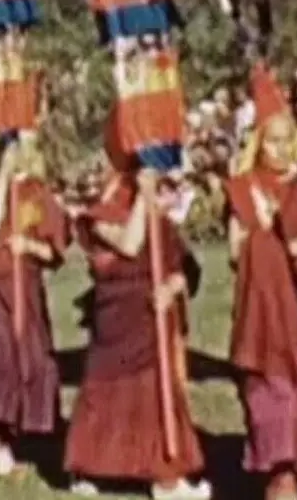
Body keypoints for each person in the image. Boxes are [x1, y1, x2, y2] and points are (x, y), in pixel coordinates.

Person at [66, 161, 211, 499]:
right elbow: (130, 245)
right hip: (117, 316)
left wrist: (172, 287)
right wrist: (145, 200)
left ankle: (165, 476)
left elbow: (185, 267)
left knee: (155, 393)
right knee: (105, 394)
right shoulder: (97, 217)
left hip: (153, 315)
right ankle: (89, 467)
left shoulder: (157, 218)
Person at [0, 131, 69, 477]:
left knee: (31, 357)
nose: (19, 153)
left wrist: (29, 247)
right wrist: (4, 176)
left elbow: (54, 250)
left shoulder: (40, 194)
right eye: (11, 147)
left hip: (26, 288)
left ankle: (26, 430)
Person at [225, 64, 297, 500]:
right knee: (269, 395)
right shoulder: (244, 187)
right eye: (270, 140)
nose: (279, 149)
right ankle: (279, 474)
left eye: (285, 139)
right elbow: (236, 252)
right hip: (262, 308)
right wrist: (263, 230)